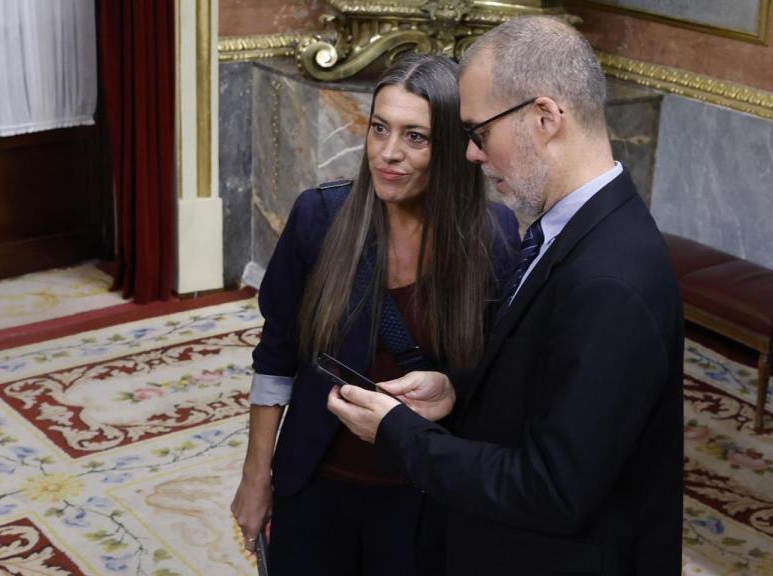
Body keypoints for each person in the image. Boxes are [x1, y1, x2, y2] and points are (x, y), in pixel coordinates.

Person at [328, 16, 684, 576]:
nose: (470, 154)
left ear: (544, 119)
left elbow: (553, 489)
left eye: (478, 131)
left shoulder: (610, 280)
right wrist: (455, 391)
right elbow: (548, 378)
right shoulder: (571, 227)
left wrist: (400, 434)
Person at [230, 53, 519, 575]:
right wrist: (256, 478)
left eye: (416, 137)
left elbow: (496, 374)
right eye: (379, 128)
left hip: (424, 493)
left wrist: (451, 386)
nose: (388, 154)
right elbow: (276, 356)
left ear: (453, 148)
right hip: (316, 481)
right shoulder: (318, 217)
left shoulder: (493, 238)